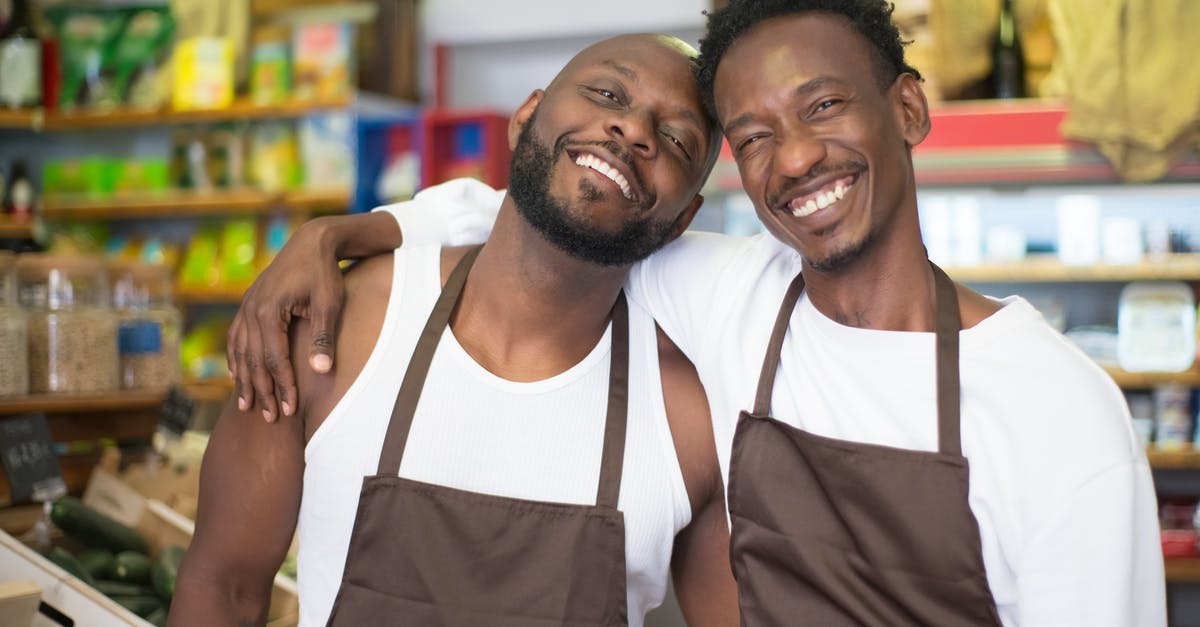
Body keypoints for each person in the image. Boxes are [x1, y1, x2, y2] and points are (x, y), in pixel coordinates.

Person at [230, 1, 1166, 625]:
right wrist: (343, 232)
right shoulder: (732, 301)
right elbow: (545, 214)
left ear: (910, 111)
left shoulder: (1057, 411)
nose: (794, 159)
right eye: (754, 137)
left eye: (825, 105)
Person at [173, 33, 741, 627]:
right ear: (526, 118)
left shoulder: (693, 415)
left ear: (685, 221)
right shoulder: (333, 331)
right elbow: (223, 589)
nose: (633, 130)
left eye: (676, 138)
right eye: (606, 93)